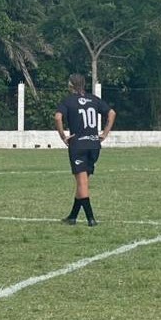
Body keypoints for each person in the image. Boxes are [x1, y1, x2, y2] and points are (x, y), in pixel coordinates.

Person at [54, 73, 115, 226]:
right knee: (83, 182)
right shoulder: (94, 99)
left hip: (78, 145)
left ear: (71, 85)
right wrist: (104, 133)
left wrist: (63, 136)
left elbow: (57, 117)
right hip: (94, 145)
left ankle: (91, 219)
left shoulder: (68, 101)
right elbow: (112, 113)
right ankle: (73, 217)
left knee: (82, 183)